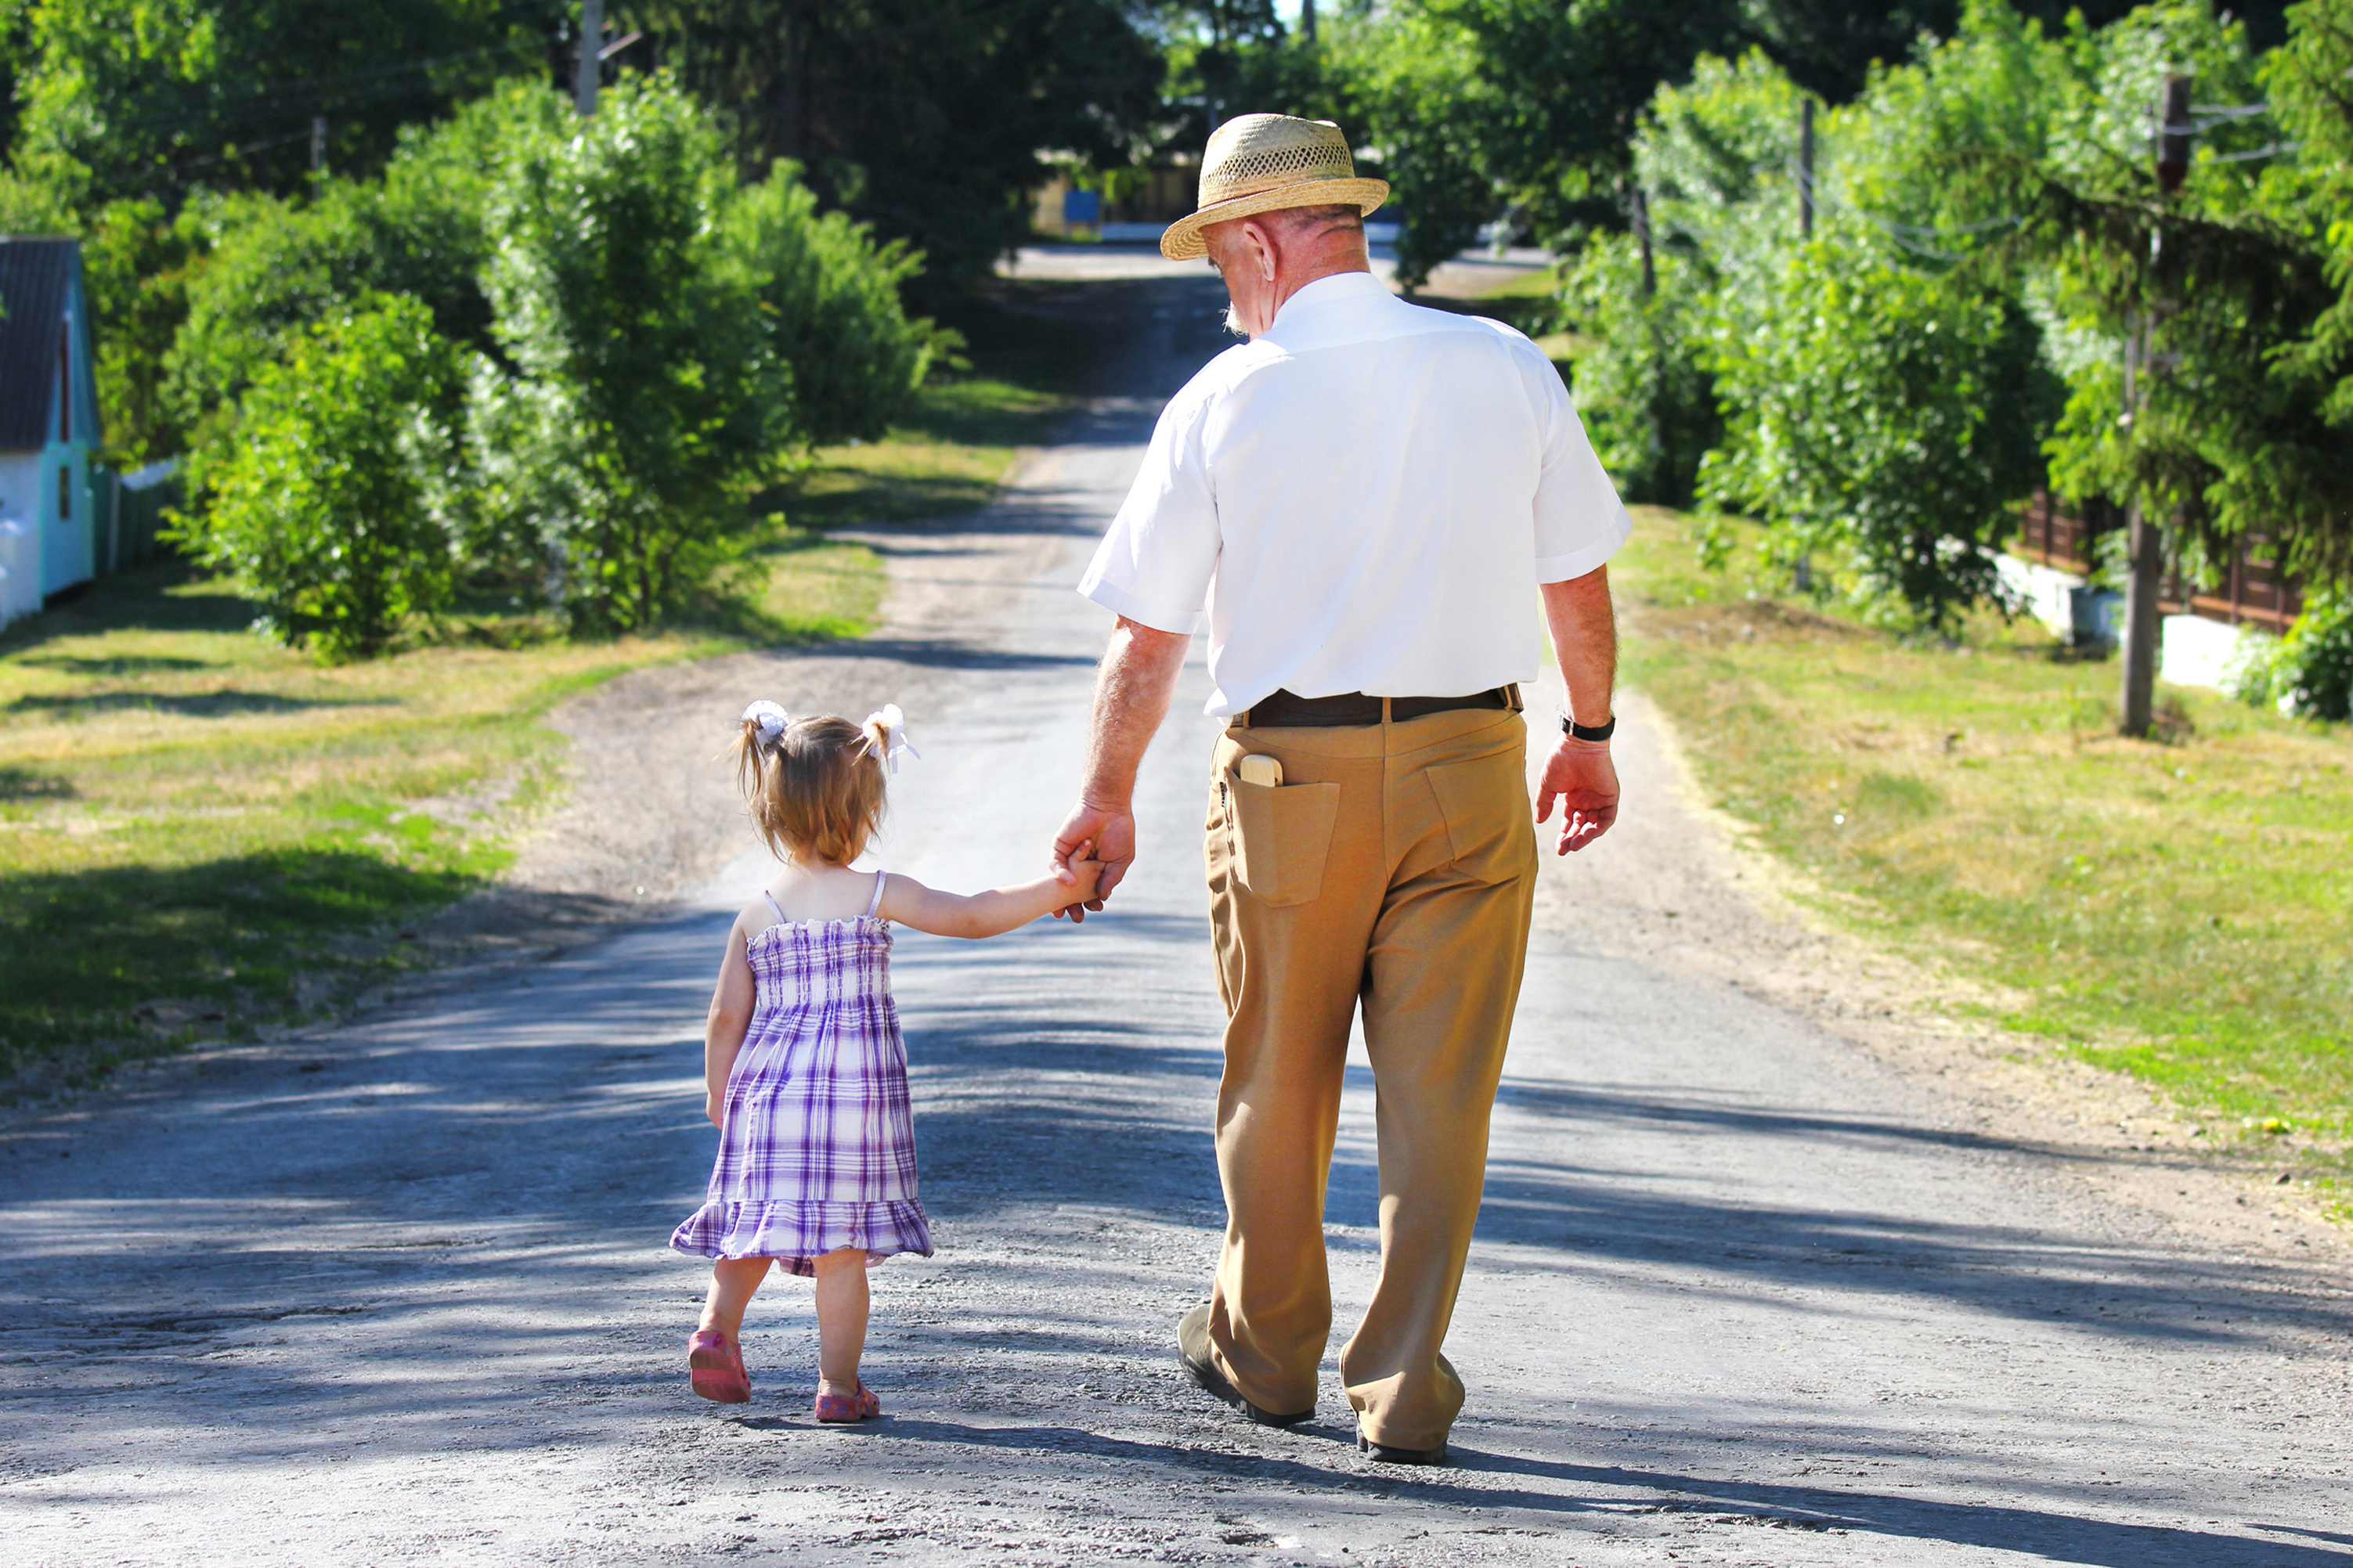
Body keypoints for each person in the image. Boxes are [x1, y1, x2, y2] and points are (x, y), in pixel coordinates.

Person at [1050, 114, 1629, 1465]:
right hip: (1473, 762)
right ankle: (1404, 1381)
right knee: (1443, 1092)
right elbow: (1577, 577)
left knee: (1278, 1071)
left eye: (1217, 256)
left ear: (1256, 238)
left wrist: (1106, 796)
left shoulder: (1226, 398)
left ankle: (1265, 1354)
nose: (1220, 284)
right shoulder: (1503, 362)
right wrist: (1588, 732)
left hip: (1285, 776)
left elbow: (1147, 635)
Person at [673, 700, 1102, 1420]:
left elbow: (725, 1017)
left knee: (751, 1220)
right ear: (864, 810)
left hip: (767, 1098)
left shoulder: (758, 914)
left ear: (774, 809)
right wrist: (1064, 886)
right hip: (852, 1104)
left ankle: (717, 1330)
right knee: (840, 1250)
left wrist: (721, 1096)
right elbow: (973, 913)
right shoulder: (878, 894)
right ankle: (839, 1389)